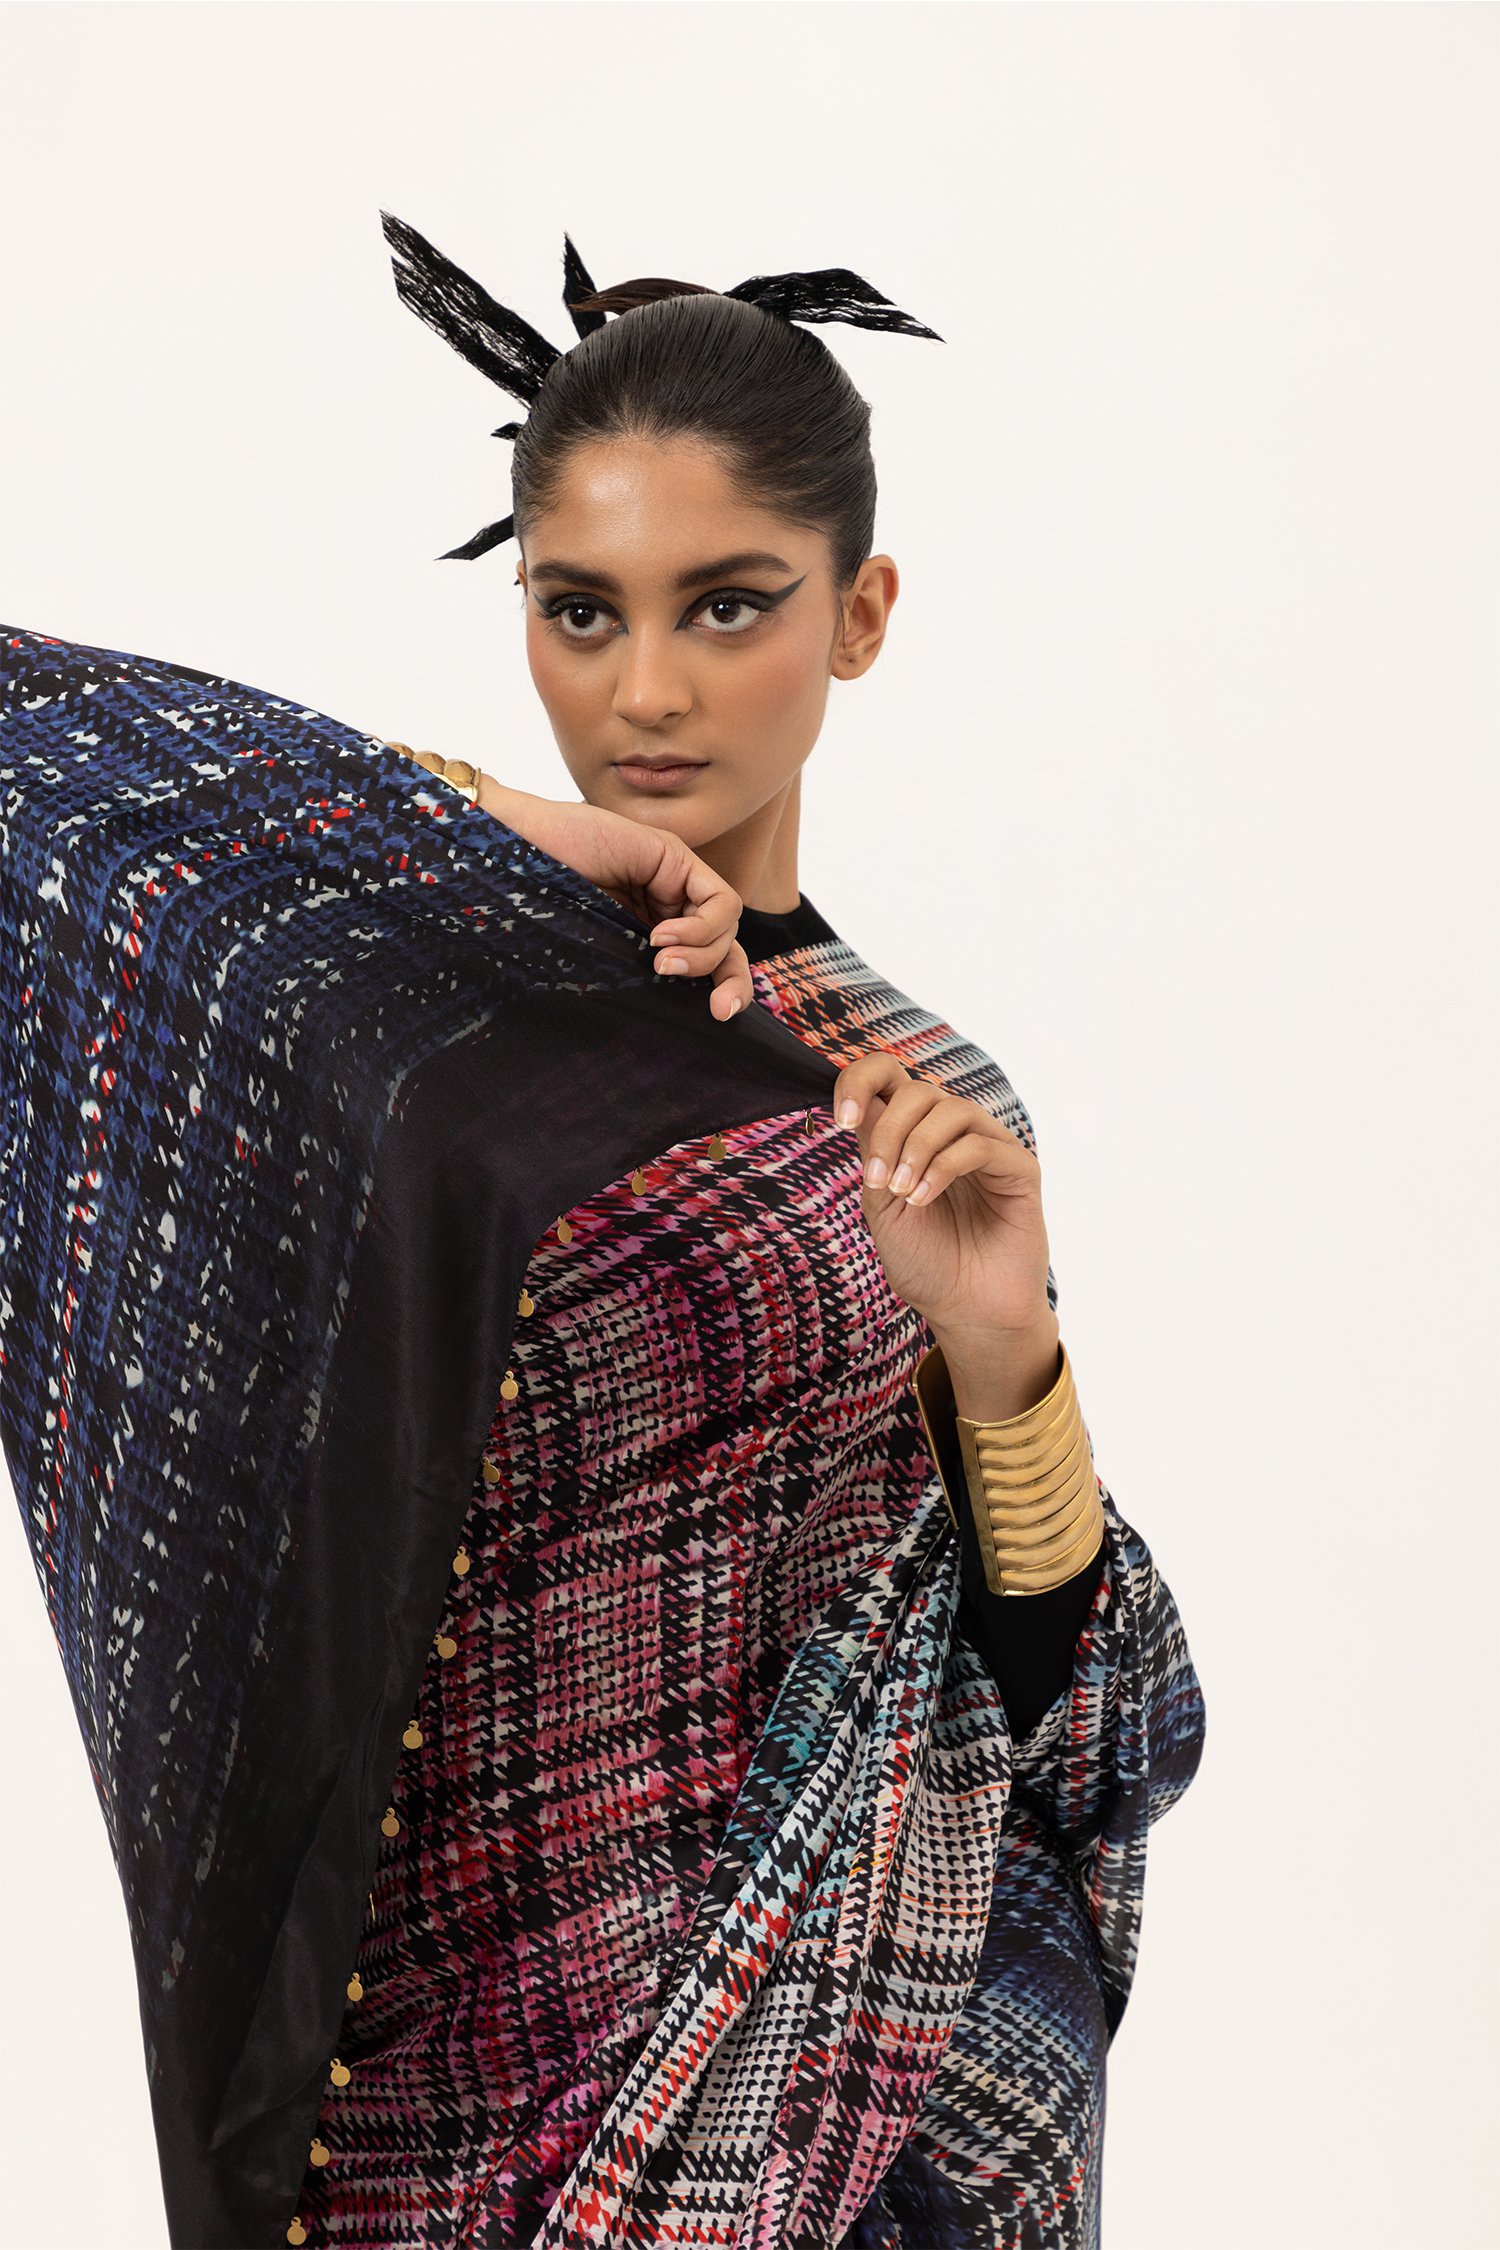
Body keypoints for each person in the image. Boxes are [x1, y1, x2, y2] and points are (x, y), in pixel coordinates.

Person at [0, 215, 1205, 2250]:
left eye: (729, 606)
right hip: (440, 2100)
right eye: (580, 611)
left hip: (869, 2112)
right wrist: (470, 814)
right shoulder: (377, 999)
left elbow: (1061, 1733)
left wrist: (1008, 1361)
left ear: (860, 613)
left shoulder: (924, 1091)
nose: (646, 693)